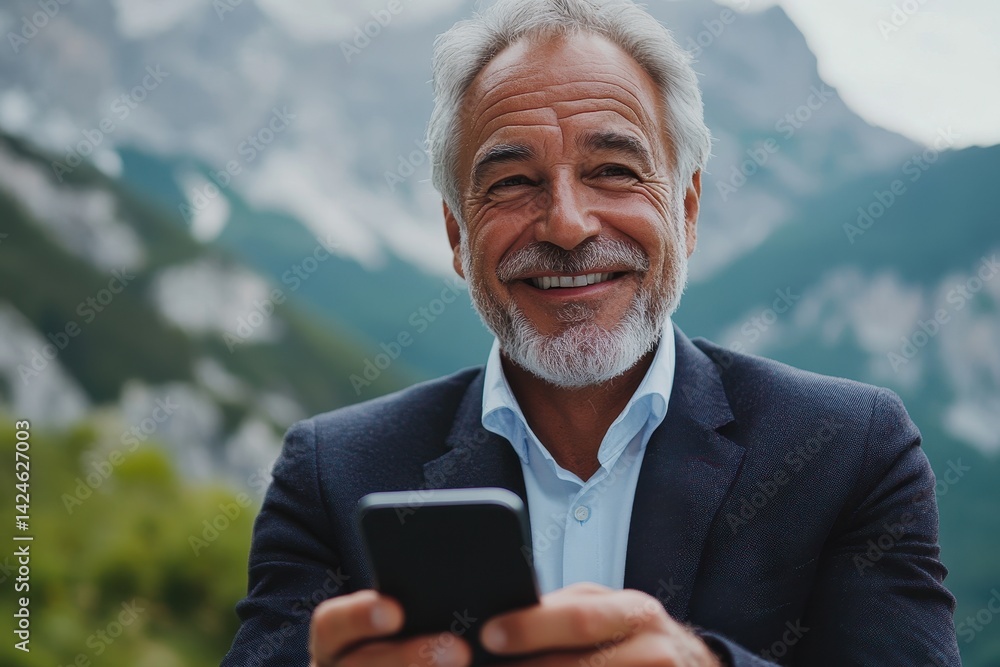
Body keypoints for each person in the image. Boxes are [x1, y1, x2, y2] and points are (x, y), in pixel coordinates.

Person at [222, 1, 960, 665]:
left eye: (613, 169)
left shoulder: (851, 448)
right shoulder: (330, 473)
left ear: (688, 209)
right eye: (512, 181)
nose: (568, 225)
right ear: (456, 232)